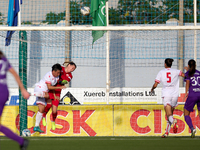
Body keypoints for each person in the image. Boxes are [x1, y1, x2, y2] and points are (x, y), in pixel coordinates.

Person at [0, 50, 30, 150]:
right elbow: (15, 74)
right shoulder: (4, 60)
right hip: (4, 91)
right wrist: (23, 89)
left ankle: (21, 141)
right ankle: (21, 141)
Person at [151, 58, 185, 138]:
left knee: (169, 114)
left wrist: (152, 89)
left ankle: (174, 122)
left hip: (166, 95)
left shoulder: (161, 72)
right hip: (175, 95)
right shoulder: (176, 71)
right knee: (170, 114)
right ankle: (166, 132)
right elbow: (184, 75)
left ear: (165, 64)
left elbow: (156, 84)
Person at [42, 61, 76, 130]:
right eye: (72, 68)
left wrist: (61, 82)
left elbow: (64, 82)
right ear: (69, 65)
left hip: (57, 91)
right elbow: (53, 75)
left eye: (73, 69)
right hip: (50, 89)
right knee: (48, 105)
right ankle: (43, 116)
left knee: (54, 110)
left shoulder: (70, 76)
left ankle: (53, 121)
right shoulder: (60, 68)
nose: (72, 70)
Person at [33, 63, 66, 133]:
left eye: (59, 73)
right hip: (39, 89)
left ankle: (36, 126)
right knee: (47, 96)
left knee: (41, 110)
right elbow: (49, 87)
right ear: (53, 71)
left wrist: (54, 95)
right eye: (57, 72)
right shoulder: (48, 75)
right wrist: (60, 87)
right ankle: (32, 94)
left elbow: (52, 87)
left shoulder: (56, 77)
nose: (58, 74)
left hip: (44, 93)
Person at [183, 59, 200, 138]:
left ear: (189, 65)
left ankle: (192, 129)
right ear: (195, 65)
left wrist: (186, 93)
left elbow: (187, 83)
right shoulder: (199, 73)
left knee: (186, 113)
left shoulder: (188, 73)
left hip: (192, 95)